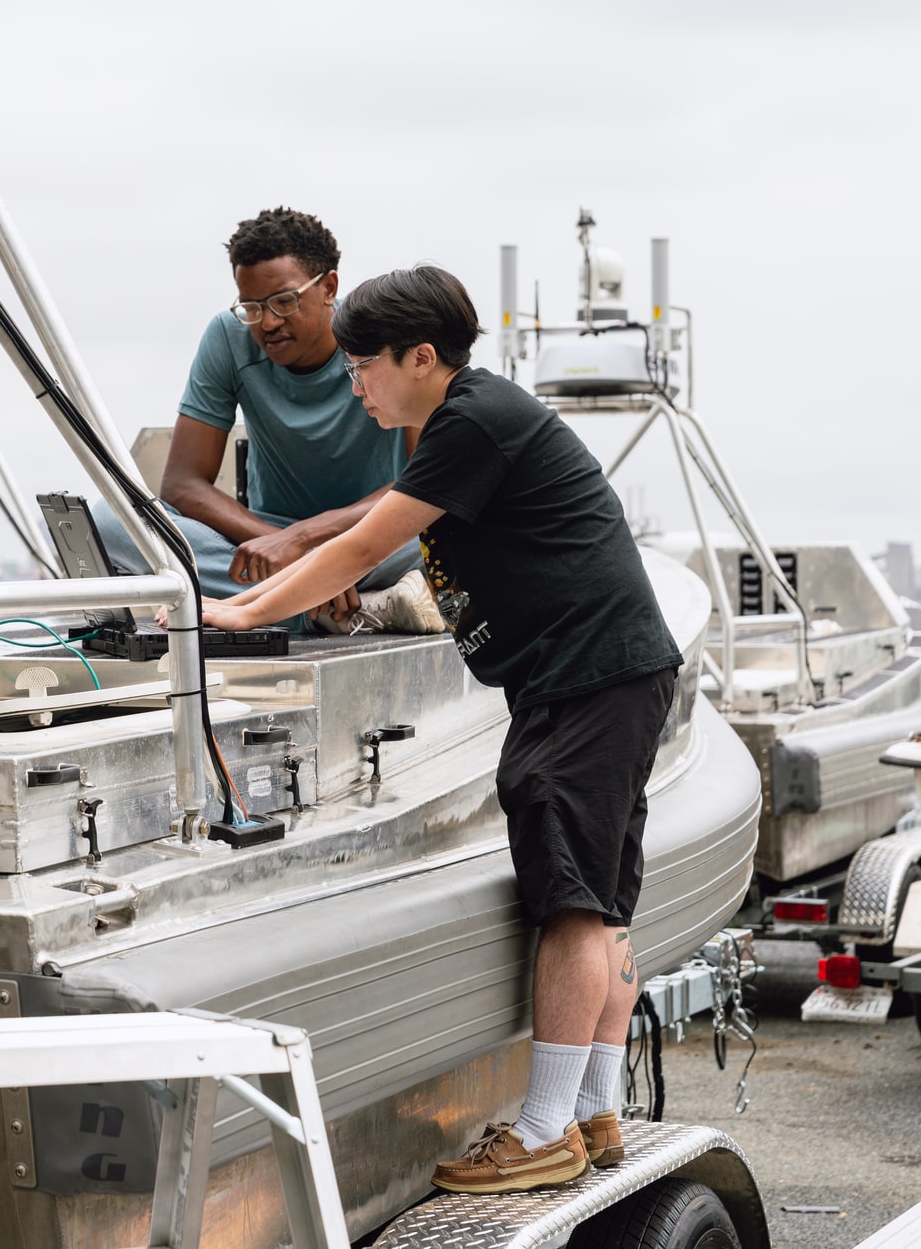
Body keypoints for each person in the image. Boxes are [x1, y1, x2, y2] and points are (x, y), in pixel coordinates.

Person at [197, 265, 682, 1192]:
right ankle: (595, 1108)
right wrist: (285, 602)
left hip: (585, 679)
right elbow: (388, 551)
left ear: (422, 358)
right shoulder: (468, 419)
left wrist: (231, 617)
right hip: (602, 673)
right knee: (605, 893)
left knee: (573, 901)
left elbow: (362, 544)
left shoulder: (471, 420)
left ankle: (543, 1131)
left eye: (363, 366)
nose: (353, 385)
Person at [94, 207, 438, 631]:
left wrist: (310, 544)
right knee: (110, 520)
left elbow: (425, 480)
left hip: (374, 536)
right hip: (262, 545)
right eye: (252, 307)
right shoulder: (227, 337)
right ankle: (343, 608)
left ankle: (281, 606)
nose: (268, 322)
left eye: (283, 301)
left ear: (329, 286)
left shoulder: (378, 333)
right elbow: (182, 483)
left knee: (446, 523)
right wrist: (278, 543)